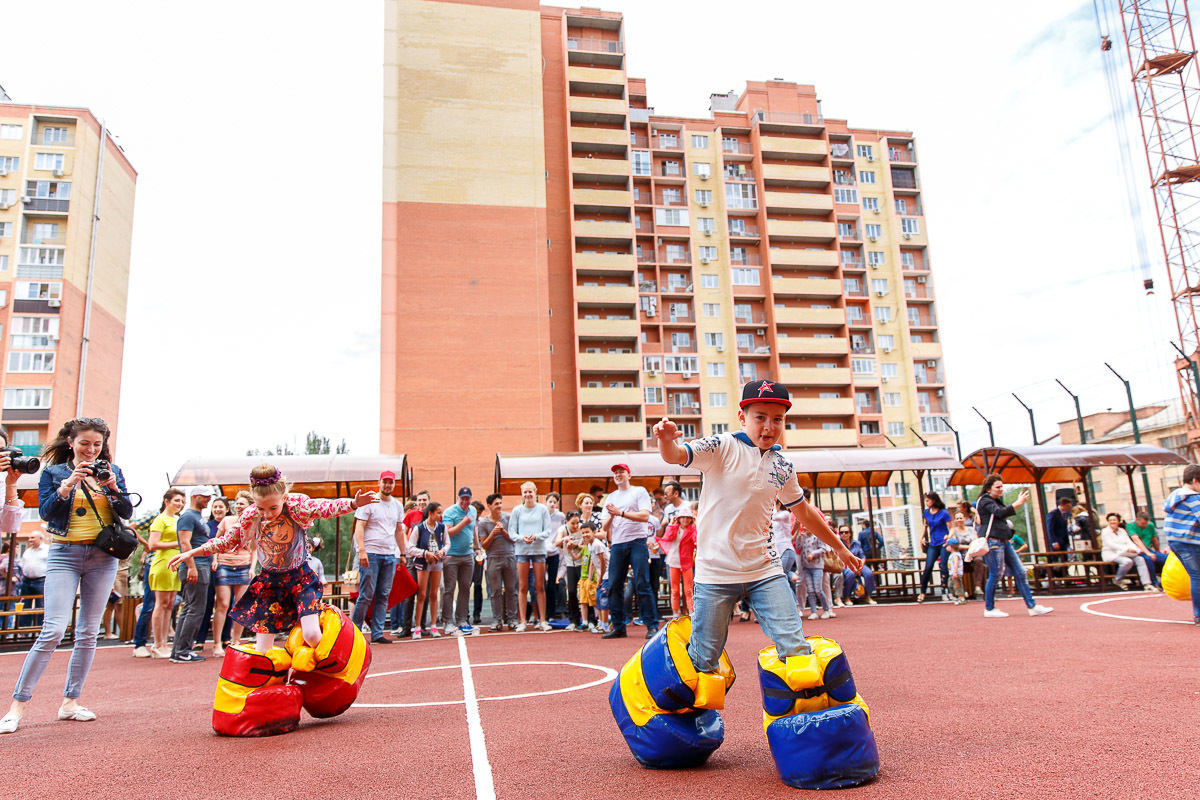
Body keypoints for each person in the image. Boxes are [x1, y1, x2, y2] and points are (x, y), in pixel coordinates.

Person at [653, 380, 862, 678]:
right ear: (742, 417)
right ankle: (686, 719)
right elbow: (674, 455)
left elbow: (804, 511)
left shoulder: (783, 466)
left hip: (765, 571)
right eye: (760, 417)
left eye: (777, 419)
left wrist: (839, 547)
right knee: (703, 661)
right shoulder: (721, 447)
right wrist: (665, 440)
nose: (769, 426)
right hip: (715, 572)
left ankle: (797, 722)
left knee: (796, 649)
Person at [2, 418, 134, 734]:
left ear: (104, 446)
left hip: (103, 558)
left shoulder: (112, 472)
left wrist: (113, 490)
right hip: (64, 553)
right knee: (53, 630)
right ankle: (16, 707)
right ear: (71, 442)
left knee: (88, 632)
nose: (90, 450)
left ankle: (70, 702)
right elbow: (47, 512)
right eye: (85, 443)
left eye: (97, 445)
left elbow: (127, 511)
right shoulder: (53, 472)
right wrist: (68, 484)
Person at [171, 463, 377, 657]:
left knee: (312, 635)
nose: (267, 515)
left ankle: (336, 660)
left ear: (283, 497)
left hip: (300, 579)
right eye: (261, 509)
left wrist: (352, 504)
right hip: (271, 582)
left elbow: (323, 507)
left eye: (273, 508)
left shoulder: (296, 505)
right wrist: (193, 552)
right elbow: (227, 540)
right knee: (262, 649)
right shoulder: (251, 515)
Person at [976, 474, 1052, 618]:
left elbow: (1001, 514)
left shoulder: (994, 500)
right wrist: (1018, 502)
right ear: (988, 489)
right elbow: (1000, 513)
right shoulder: (985, 500)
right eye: (997, 487)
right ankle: (989, 608)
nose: (1001, 489)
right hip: (994, 542)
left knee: (1021, 571)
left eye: (1001, 487)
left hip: (1003, 541)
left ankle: (1032, 607)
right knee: (995, 574)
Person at [599, 464, 659, 640]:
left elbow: (645, 516)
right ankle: (618, 626)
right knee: (614, 585)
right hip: (617, 544)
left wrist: (621, 513)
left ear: (629, 475)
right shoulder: (611, 497)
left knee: (642, 583)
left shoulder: (639, 491)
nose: (618, 475)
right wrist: (612, 515)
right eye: (616, 473)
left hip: (637, 542)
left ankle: (651, 625)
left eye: (621, 472)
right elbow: (604, 526)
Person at [351, 470, 405, 645]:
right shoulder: (370, 501)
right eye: (385, 482)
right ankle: (354, 632)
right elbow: (359, 526)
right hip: (371, 553)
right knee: (366, 594)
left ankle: (377, 633)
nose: (388, 485)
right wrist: (361, 550)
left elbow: (398, 530)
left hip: (389, 554)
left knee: (383, 594)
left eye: (391, 482)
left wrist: (402, 553)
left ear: (394, 484)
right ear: (379, 482)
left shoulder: (397, 505)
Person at [170, 486, 214, 663]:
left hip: (200, 565)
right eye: (205, 497)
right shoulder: (188, 516)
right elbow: (184, 543)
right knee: (195, 609)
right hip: (196, 565)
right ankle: (183, 650)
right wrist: (191, 567)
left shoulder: (196, 517)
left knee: (190, 608)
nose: (208, 500)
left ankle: (179, 650)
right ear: (194, 496)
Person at [211, 493, 254, 657]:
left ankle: (236, 641)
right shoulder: (227, 521)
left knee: (240, 604)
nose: (238, 506)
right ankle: (217, 644)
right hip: (225, 563)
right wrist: (215, 559)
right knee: (222, 603)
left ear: (249, 505)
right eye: (236, 503)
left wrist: (252, 566)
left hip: (243, 564)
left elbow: (255, 547)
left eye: (242, 503)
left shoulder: (253, 522)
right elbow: (216, 541)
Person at [509, 482, 553, 632]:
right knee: (522, 586)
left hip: (539, 550)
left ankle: (542, 620)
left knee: (539, 586)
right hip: (522, 551)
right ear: (522, 494)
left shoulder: (542, 510)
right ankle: (522, 621)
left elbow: (547, 530)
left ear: (536, 492)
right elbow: (512, 533)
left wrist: (536, 537)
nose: (528, 495)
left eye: (530, 492)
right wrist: (523, 538)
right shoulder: (517, 510)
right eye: (525, 492)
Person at [148, 489, 186, 658]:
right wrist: (176, 543)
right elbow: (153, 544)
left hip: (175, 564)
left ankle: (164, 642)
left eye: (182, 501)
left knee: (170, 604)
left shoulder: (178, 519)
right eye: (177, 500)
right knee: (161, 604)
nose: (180, 504)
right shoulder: (160, 519)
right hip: (163, 563)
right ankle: (157, 644)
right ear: (167, 501)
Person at [1163, 464, 1200, 625]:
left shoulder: (1175, 495)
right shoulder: (1193, 498)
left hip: (1175, 541)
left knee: (1196, 576)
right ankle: (1198, 614)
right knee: (1197, 576)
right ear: (1195, 481)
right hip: (1190, 542)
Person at [441, 487, 481, 636]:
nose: (465, 501)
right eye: (462, 498)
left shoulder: (473, 510)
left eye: (467, 498)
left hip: (467, 555)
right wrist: (463, 523)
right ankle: (448, 621)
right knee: (449, 589)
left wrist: (477, 547)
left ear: (470, 499)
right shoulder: (450, 512)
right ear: (458, 498)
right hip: (451, 555)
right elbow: (447, 532)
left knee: (465, 588)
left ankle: (462, 620)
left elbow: (474, 530)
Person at [407, 501, 447, 639]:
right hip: (423, 563)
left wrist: (442, 551)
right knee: (422, 594)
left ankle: (434, 626)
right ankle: (417, 627)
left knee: (434, 594)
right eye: (438, 512)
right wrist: (425, 554)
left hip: (437, 562)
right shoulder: (419, 528)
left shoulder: (441, 528)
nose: (440, 515)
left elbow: (447, 543)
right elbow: (410, 547)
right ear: (430, 513)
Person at [478, 493, 516, 632]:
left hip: (509, 557)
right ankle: (496, 620)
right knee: (495, 591)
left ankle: (512, 619)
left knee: (512, 590)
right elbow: (484, 545)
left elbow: (514, 539)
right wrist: (493, 533)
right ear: (489, 506)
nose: (499, 506)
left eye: (500, 503)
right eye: (496, 504)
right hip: (493, 558)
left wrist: (504, 532)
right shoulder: (483, 523)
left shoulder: (508, 518)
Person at [395, 490, 429, 637]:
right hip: (411, 558)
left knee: (424, 593)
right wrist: (407, 546)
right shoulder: (411, 515)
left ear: (428, 501)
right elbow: (403, 531)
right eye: (420, 500)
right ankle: (406, 626)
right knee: (410, 591)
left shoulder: (431, 515)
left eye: (424, 500)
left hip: (426, 558)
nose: (422, 503)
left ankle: (421, 625)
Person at [658, 503, 697, 617]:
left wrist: (696, 524)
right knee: (674, 589)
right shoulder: (674, 528)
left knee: (689, 589)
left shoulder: (692, 529)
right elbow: (667, 537)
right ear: (679, 518)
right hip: (674, 561)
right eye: (683, 517)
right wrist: (671, 524)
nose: (685, 520)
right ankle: (676, 612)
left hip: (686, 562)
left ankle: (691, 611)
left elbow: (697, 539)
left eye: (688, 517)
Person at [1101, 512, 1157, 591]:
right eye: (1110, 520)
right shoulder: (1105, 531)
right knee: (1127, 561)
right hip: (1112, 554)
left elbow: (1129, 542)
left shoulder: (1122, 531)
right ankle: (1117, 579)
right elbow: (1110, 544)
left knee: (1140, 559)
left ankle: (1147, 584)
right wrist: (1126, 549)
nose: (1112, 522)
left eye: (1114, 520)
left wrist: (1137, 549)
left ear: (1119, 521)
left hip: (1126, 553)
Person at [554, 510, 584, 630]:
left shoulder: (582, 528)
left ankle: (589, 618)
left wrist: (576, 546)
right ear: (567, 522)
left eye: (577, 523)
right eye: (573, 523)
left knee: (584, 591)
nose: (575, 526)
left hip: (582, 563)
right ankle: (574, 620)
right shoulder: (562, 530)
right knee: (571, 591)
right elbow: (556, 542)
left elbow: (587, 545)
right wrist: (564, 539)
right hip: (570, 564)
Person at [919, 492, 951, 603]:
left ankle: (944, 590)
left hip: (943, 542)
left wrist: (948, 536)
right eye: (926, 500)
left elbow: (951, 527)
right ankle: (922, 592)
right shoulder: (926, 513)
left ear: (934, 500)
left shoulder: (943, 513)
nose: (926, 502)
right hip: (933, 543)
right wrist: (922, 537)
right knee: (928, 567)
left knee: (944, 566)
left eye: (928, 500)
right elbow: (925, 525)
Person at [16, 529, 48, 629]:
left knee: (40, 605)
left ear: (40, 538)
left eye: (32, 538)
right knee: (25, 606)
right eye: (29, 538)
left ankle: (39, 629)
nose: (30, 540)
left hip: (41, 580)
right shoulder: (27, 551)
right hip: (26, 580)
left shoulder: (47, 550)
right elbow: (22, 565)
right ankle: (24, 631)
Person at [799, 527, 831, 620]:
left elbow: (823, 549)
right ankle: (814, 611)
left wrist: (813, 554)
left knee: (818, 589)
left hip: (817, 566)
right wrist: (798, 538)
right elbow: (798, 547)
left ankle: (826, 609)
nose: (805, 528)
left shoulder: (817, 536)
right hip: (806, 566)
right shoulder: (803, 537)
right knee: (810, 590)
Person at [838, 526, 876, 605]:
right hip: (845, 565)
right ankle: (847, 597)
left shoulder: (857, 543)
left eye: (846, 532)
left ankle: (868, 597)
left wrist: (860, 566)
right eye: (841, 532)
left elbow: (862, 556)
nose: (844, 534)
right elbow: (838, 558)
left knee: (869, 573)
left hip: (858, 564)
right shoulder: (838, 544)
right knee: (851, 574)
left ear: (850, 533)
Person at [1126, 511, 1167, 582]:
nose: (1144, 525)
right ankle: (1154, 582)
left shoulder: (1150, 525)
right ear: (1137, 520)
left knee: (1166, 558)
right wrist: (1147, 553)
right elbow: (1136, 540)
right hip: (1137, 551)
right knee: (1148, 559)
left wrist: (1157, 551)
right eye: (1142, 523)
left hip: (1148, 550)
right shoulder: (1130, 526)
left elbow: (1155, 539)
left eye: (1146, 523)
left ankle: (1166, 579)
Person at [544, 491, 566, 622]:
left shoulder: (560, 516)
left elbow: (562, 531)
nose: (552, 504)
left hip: (555, 550)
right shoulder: (541, 513)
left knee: (552, 584)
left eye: (554, 502)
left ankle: (552, 614)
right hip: (542, 550)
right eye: (550, 501)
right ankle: (542, 614)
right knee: (542, 585)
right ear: (546, 502)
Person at [574, 521, 598, 631]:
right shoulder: (584, 547)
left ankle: (597, 620)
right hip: (583, 578)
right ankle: (584, 622)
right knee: (583, 601)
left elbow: (593, 564)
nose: (584, 535)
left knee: (593, 601)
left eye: (587, 532)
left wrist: (590, 578)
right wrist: (569, 549)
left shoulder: (594, 546)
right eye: (582, 533)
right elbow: (576, 558)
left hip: (591, 579)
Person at [1045, 496, 1073, 579]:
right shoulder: (1053, 513)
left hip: (1063, 540)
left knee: (1065, 558)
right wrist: (1053, 541)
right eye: (1067, 506)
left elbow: (1065, 528)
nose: (1069, 508)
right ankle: (1054, 575)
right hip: (1056, 540)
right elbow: (1050, 528)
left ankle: (1065, 573)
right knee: (1055, 558)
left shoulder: (1065, 514)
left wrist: (1067, 540)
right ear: (1062, 505)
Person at [945, 538, 966, 605]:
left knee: (957, 586)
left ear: (951, 547)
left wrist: (955, 572)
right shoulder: (952, 555)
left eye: (947, 546)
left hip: (956, 573)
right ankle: (956, 596)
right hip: (951, 573)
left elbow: (956, 563)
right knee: (950, 585)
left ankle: (961, 597)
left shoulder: (955, 555)